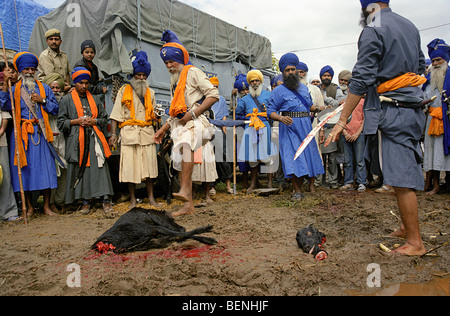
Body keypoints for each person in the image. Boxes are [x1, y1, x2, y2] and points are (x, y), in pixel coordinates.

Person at [326, 0, 428, 256]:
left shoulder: (373, 28)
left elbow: (360, 79)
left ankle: (415, 243)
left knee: (401, 179)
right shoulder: (410, 26)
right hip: (411, 106)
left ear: (366, 8)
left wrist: (341, 120)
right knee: (401, 170)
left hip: (395, 109)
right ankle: (406, 227)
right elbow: (418, 67)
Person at [153, 30, 219, 217]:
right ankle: (188, 206)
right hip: (181, 126)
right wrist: (162, 130)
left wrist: (192, 113)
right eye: (166, 63)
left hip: (198, 123)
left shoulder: (193, 72)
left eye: (171, 61)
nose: (169, 66)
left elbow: (213, 95)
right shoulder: (175, 83)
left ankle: (184, 191)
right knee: (180, 162)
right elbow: (175, 112)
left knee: (185, 145)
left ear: (180, 59)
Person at [0, 52, 59, 217]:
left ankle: (46, 206)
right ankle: (30, 208)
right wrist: (5, 82)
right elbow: (4, 104)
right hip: (21, 135)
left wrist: (43, 100)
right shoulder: (14, 90)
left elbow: (55, 109)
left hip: (41, 133)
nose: (29, 72)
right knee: (24, 171)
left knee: (46, 169)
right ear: (20, 71)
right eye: (26, 69)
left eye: (32, 69)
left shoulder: (44, 88)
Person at [267, 53, 324, 200]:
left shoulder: (305, 89)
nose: (291, 72)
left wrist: (317, 109)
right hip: (289, 127)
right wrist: (280, 118)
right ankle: (297, 190)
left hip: (305, 126)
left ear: (297, 70)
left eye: (293, 69)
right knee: (293, 157)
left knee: (308, 155)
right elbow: (270, 111)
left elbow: (309, 106)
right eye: (287, 70)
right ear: (283, 73)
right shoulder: (278, 91)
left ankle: (306, 186)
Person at [57, 67, 114, 215]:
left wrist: (93, 121)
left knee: (100, 169)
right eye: (80, 83)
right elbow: (61, 123)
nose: (84, 86)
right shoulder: (66, 100)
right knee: (82, 170)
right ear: (75, 83)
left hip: (95, 140)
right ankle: (85, 202)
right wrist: (76, 121)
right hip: (77, 142)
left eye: (86, 83)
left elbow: (104, 119)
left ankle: (105, 200)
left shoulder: (95, 99)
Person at [109, 51, 160, 210]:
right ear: (133, 76)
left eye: (144, 76)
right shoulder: (124, 90)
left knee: (149, 169)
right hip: (129, 134)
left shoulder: (151, 92)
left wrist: (158, 128)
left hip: (147, 133)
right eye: (138, 75)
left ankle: (151, 198)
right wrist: (112, 134)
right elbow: (115, 114)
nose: (141, 78)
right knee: (130, 169)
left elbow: (155, 116)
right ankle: (132, 200)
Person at [236, 69, 273, 193]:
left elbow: (274, 111)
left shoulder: (268, 95)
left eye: (257, 80)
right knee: (252, 156)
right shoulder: (245, 99)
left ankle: (269, 183)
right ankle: (253, 183)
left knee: (266, 154)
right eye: (252, 81)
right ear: (249, 83)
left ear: (261, 81)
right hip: (250, 128)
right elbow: (237, 112)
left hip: (264, 127)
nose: (255, 83)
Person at [422, 38, 450, 195]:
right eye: (433, 60)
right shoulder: (427, 80)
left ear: (445, 59)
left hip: (447, 121)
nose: (435, 63)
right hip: (432, 121)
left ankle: (447, 183)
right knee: (432, 152)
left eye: (438, 59)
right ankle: (435, 185)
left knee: (447, 152)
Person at [42, 73, 67, 213]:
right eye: (53, 88)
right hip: (48, 137)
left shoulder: (64, 100)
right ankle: (50, 202)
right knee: (51, 169)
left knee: (64, 168)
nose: (56, 90)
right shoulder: (43, 101)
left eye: (58, 87)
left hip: (62, 137)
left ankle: (60, 200)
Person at [0, 72, 20, 221]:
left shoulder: (3, 96)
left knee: (4, 175)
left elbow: (5, 112)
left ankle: (8, 211)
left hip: (0, 139)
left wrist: (0, 131)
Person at [210, 76, 233, 194]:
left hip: (219, 129)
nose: (214, 88)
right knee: (210, 158)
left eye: (216, 87)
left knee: (224, 156)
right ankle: (211, 186)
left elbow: (224, 116)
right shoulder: (205, 99)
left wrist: (224, 130)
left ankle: (228, 185)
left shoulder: (222, 99)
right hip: (208, 129)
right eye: (212, 86)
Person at [339, 96, 367, 192]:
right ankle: (348, 182)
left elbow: (364, 119)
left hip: (358, 133)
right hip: (345, 133)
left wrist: (357, 134)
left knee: (360, 160)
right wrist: (345, 132)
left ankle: (361, 182)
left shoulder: (363, 101)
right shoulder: (344, 103)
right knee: (347, 161)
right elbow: (340, 119)